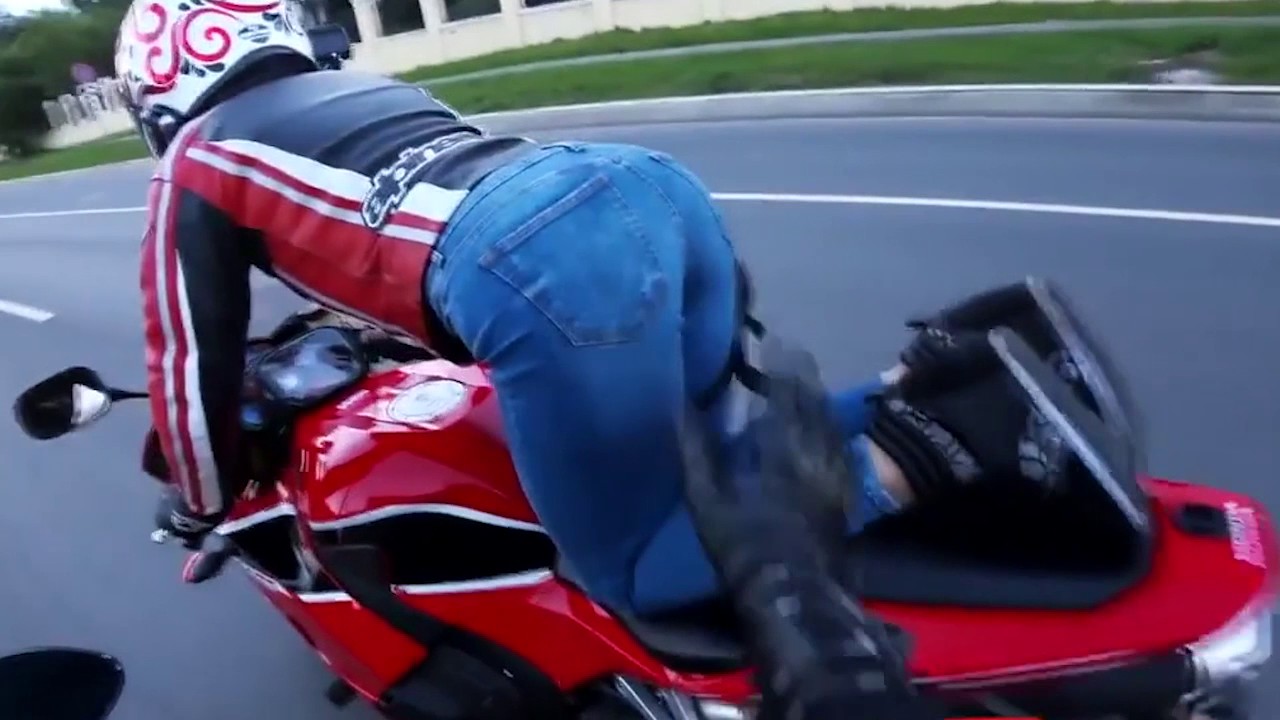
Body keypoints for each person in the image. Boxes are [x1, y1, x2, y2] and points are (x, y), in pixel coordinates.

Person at [116, 0, 1098, 633]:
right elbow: (413, 212)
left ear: (156, 94)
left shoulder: (195, 164)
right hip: (641, 189)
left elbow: (187, 366)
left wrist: (202, 501)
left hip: (535, 261)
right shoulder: (362, 89)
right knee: (705, 470)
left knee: (638, 569)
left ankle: (942, 444)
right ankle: (936, 376)